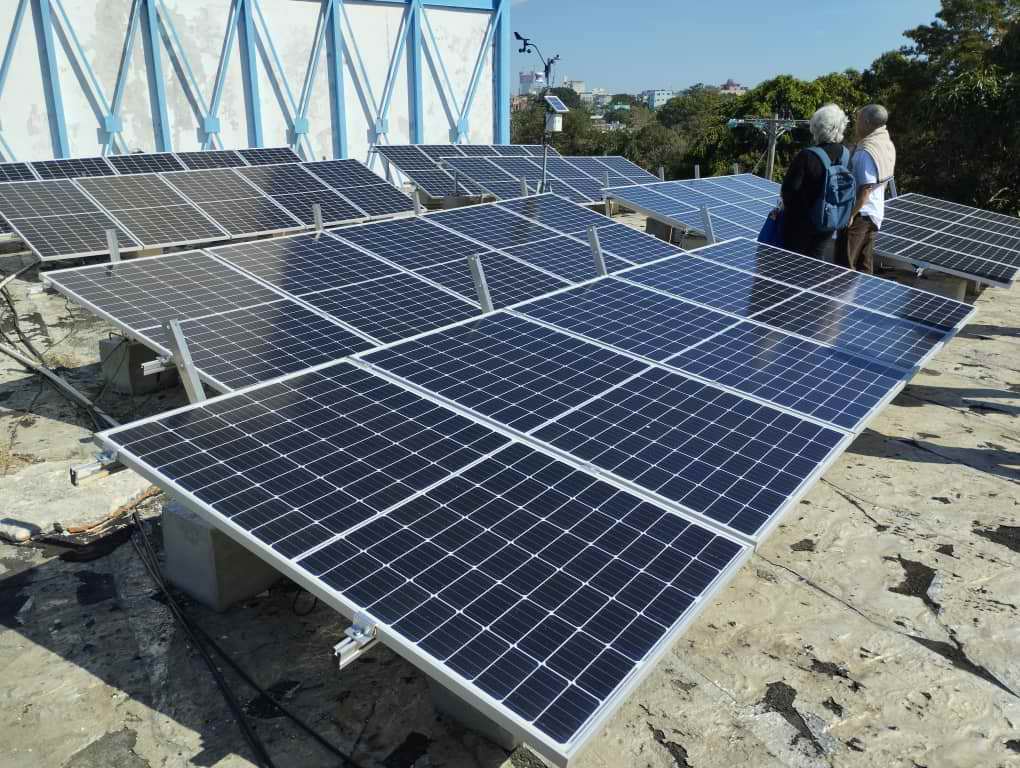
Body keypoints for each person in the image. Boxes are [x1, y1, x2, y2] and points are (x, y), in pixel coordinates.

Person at [780, 104, 849, 259]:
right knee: (815, 262)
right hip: (830, 222)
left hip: (801, 224)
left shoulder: (807, 156)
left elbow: (789, 191)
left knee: (792, 266)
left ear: (817, 127)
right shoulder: (845, 154)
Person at [837, 104, 896, 273]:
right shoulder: (886, 144)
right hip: (875, 213)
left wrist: (850, 215)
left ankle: (841, 300)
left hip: (861, 215)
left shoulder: (866, 152)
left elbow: (865, 189)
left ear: (868, 123)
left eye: (859, 120)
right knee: (864, 267)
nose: (856, 124)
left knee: (844, 266)